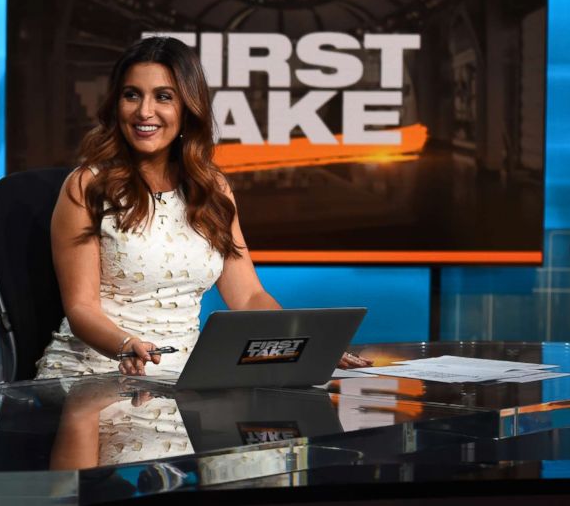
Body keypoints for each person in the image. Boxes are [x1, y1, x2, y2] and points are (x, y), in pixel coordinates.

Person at [35, 36, 370, 379]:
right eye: (131, 95)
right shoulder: (87, 186)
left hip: (186, 375)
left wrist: (305, 343)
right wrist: (124, 344)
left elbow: (249, 296)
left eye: (163, 97)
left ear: (187, 107)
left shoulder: (212, 188)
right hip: (99, 369)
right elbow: (80, 308)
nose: (144, 111)